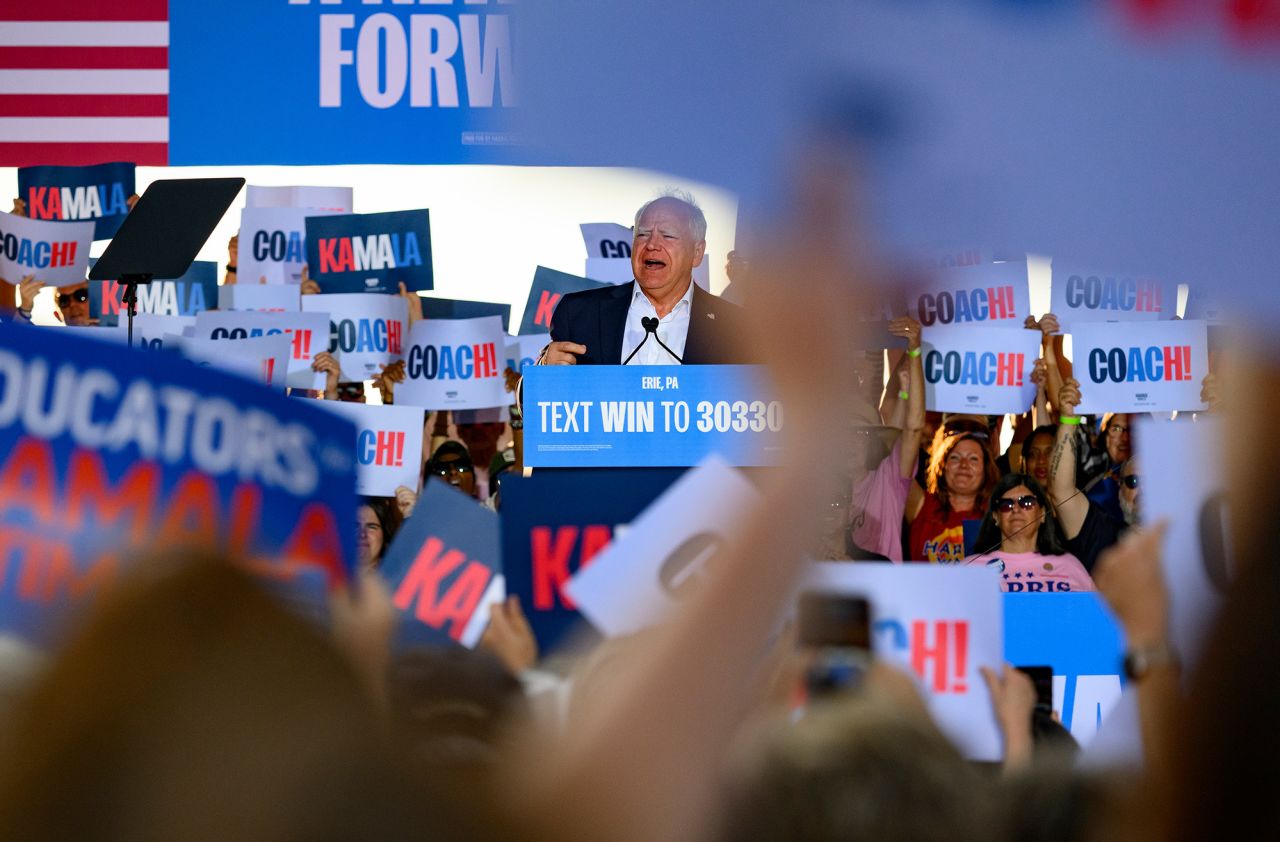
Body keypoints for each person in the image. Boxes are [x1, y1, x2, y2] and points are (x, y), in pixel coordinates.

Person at [541, 192, 751, 365]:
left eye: (667, 235)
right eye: (642, 234)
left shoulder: (736, 328)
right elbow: (533, 405)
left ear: (697, 253)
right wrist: (543, 375)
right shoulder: (578, 313)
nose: (651, 244)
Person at [1048, 378, 1133, 573]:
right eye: (1133, 481)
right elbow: (1061, 493)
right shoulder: (1102, 533)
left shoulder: (1181, 536)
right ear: (1120, 488)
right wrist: (1069, 418)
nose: (1142, 490)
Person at [965, 474, 1094, 592]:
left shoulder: (1069, 565)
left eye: (1027, 502)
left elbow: (1099, 614)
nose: (1016, 509)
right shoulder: (969, 568)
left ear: (1042, 514)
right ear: (996, 517)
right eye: (1006, 505)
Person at [906, 427, 1001, 562]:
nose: (963, 465)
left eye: (973, 459)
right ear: (942, 467)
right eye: (955, 458)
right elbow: (900, 460)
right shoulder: (922, 506)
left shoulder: (999, 515)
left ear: (986, 470)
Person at [357, 497, 403, 570]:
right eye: (354, 526)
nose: (362, 534)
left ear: (385, 535)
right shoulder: (332, 578)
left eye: (372, 527)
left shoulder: (401, 574)